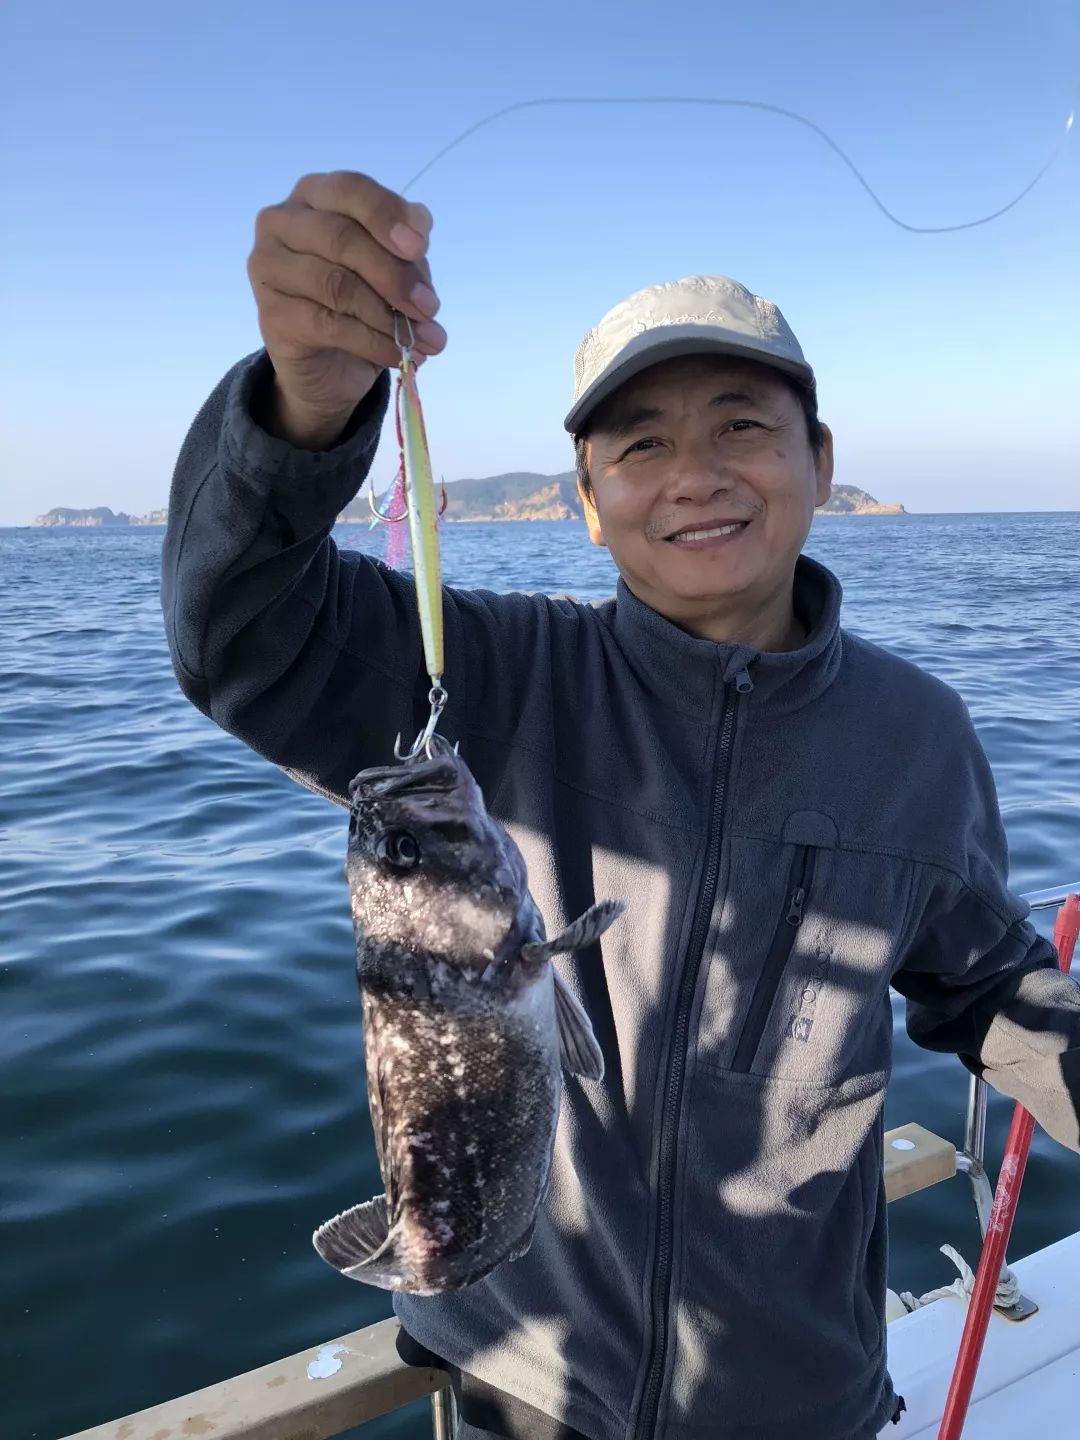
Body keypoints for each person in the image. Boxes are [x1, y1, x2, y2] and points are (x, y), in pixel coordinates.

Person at [162, 170, 1080, 1440]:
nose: (694, 474)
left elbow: (986, 985)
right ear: (587, 505)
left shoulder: (915, 734)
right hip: (526, 1386)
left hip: (798, 1398)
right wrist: (306, 408)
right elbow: (241, 635)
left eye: (742, 427)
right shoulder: (484, 672)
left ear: (818, 463)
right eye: (639, 444)